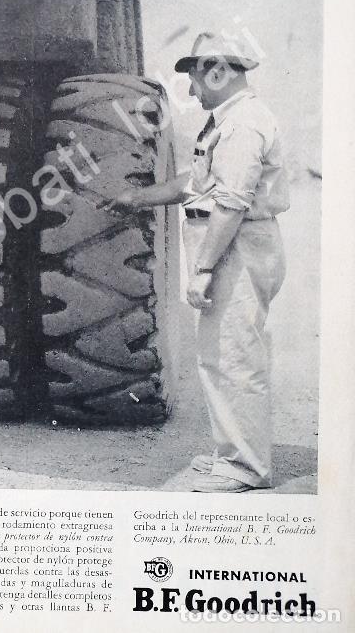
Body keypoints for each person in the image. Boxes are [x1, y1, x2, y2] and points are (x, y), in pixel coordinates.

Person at [107, 32, 289, 492]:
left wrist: (203, 270)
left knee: (235, 358)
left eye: (195, 78)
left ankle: (247, 467)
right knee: (217, 357)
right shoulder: (227, 120)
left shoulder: (243, 124)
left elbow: (230, 203)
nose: (191, 90)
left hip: (236, 249)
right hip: (232, 246)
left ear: (218, 71)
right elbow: (200, 182)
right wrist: (138, 197)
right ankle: (232, 454)